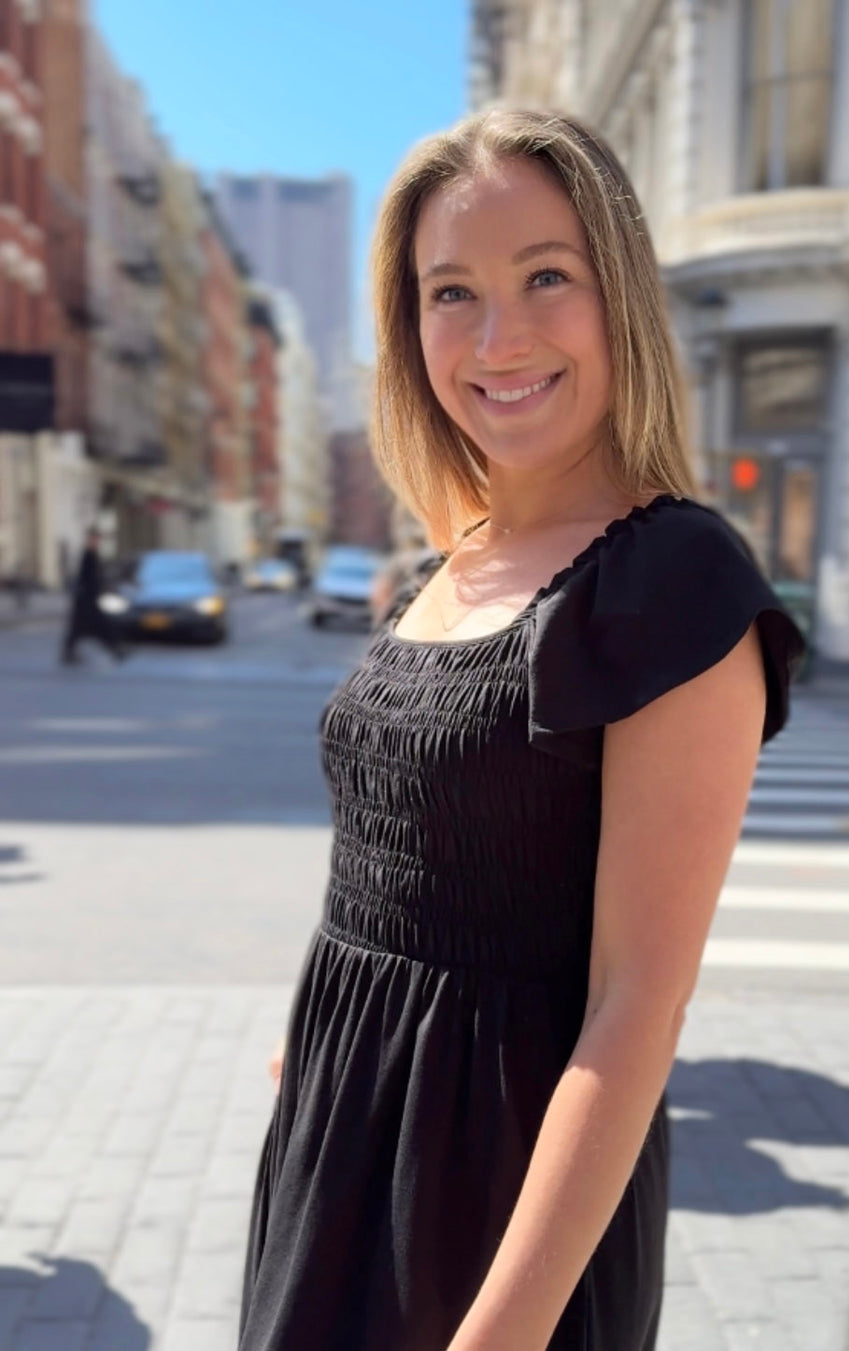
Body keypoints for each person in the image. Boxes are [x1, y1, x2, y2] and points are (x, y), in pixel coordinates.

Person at [239, 108, 806, 1351]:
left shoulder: (671, 581)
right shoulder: (453, 556)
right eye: (452, 292)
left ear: (621, 296)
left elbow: (637, 1005)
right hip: (342, 1148)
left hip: (497, 1204)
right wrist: (313, 1057)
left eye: (547, 276)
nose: (498, 338)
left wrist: (499, 1336)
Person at [59, 526, 127, 665]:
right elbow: (85, 578)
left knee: (93, 628)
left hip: (90, 600)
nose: (96, 542)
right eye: (94, 539)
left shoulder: (92, 555)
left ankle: (116, 650)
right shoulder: (88, 555)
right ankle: (116, 650)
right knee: (89, 628)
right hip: (86, 601)